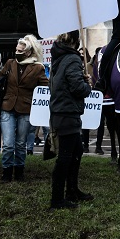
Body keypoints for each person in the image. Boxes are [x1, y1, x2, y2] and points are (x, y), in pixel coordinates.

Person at [0, 37, 49, 182]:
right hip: (7, 107)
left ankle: (19, 171)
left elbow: (47, 87)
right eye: (16, 49)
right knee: (8, 143)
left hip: (26, 109)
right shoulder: (10, 63)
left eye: (20, 50)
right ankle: (6, 172)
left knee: (20, 143)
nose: (17, 52)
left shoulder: (38, 68)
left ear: (29, 52)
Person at [49, 31, 93, 209]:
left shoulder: (59, 56)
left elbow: (64, 82)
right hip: (67, 112)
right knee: (65, 158)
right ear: (75, 41)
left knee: (77, 151)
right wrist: (87, 86)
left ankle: (72, 190)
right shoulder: (73, 59)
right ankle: (57, 200)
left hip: (61, 112)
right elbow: (76, 88)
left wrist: (80, 79)